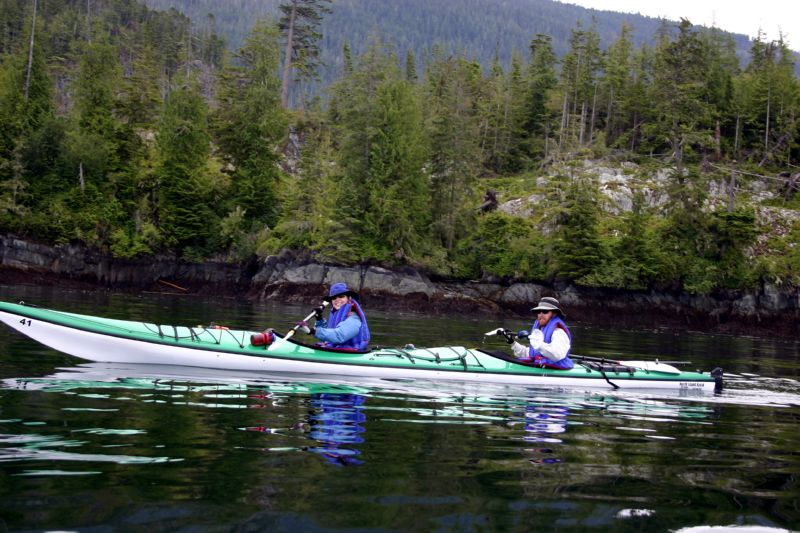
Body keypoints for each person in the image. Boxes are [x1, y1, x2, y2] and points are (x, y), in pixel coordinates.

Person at [296, 282, 371, 351]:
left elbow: (339, 336)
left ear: (349, 298)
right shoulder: (337, 313)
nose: (337, 300)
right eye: (334, 298)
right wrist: (319, 319)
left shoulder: (353, 318)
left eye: (341, 296)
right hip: (337, 349)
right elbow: (328, 336)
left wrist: (312, 331)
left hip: (352, 351)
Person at [509, 296, 574, 369]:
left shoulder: (559, 332)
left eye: (545, 311)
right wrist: (512, 343)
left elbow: (557, 354)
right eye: (538, 311)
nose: (541, 314)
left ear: (554, 314)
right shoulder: (540, 330)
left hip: (553, 371)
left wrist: (538, 344)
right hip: (541, 366)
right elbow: (531, 354)